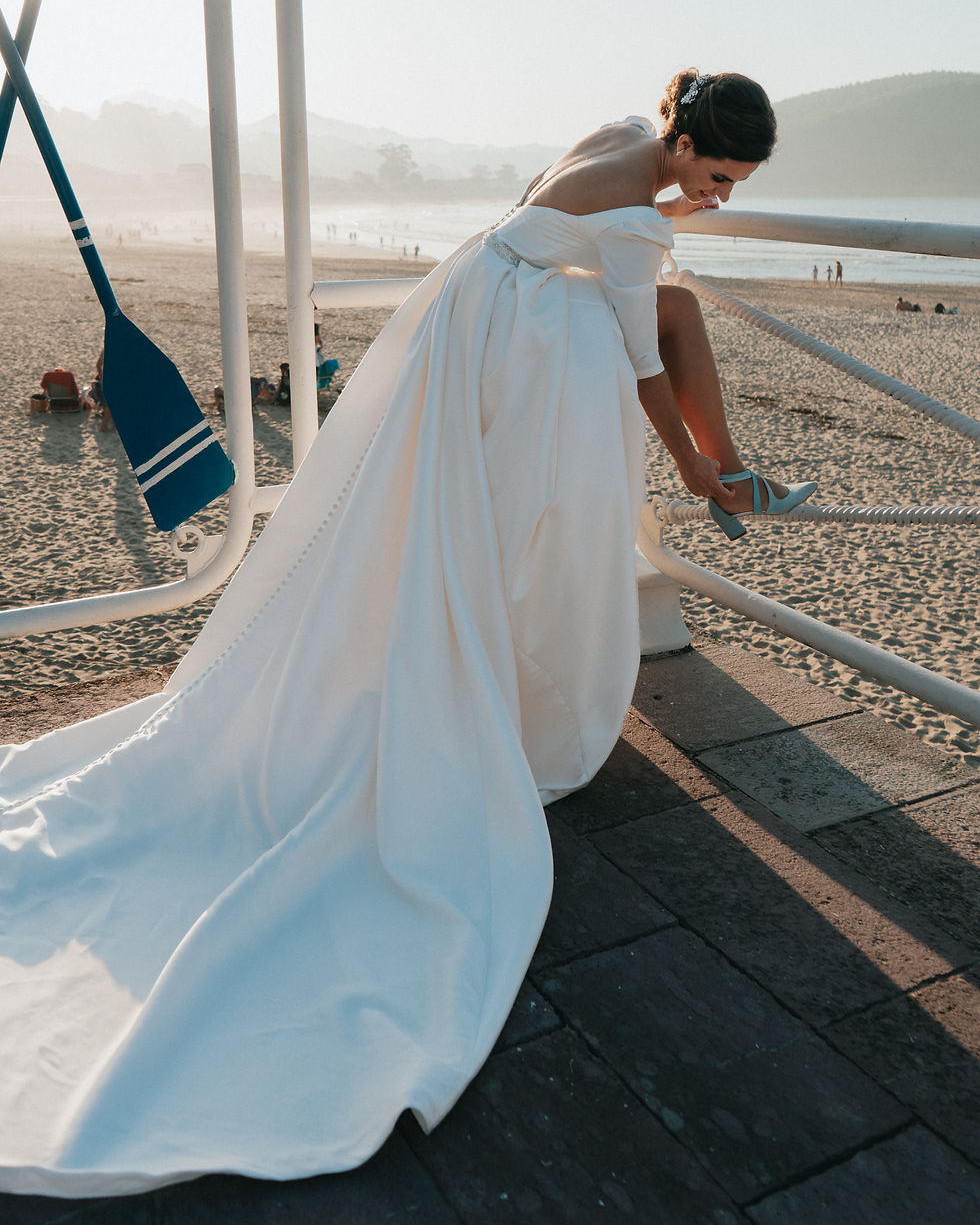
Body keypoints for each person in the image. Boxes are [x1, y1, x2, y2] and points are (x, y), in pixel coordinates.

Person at [0, 70, 815, 1197]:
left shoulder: (630, 134)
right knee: (661, 332)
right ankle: (731, 480)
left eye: (734, 188)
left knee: (663, 317)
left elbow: (589, 226)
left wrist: (664, 215)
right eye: (716, 179)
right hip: (518, 327)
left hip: (476, 295)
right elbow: (638, 351)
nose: (718, 199)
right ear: (681, 143)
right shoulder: (638, 218)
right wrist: (686, 469)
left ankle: (728, 474)